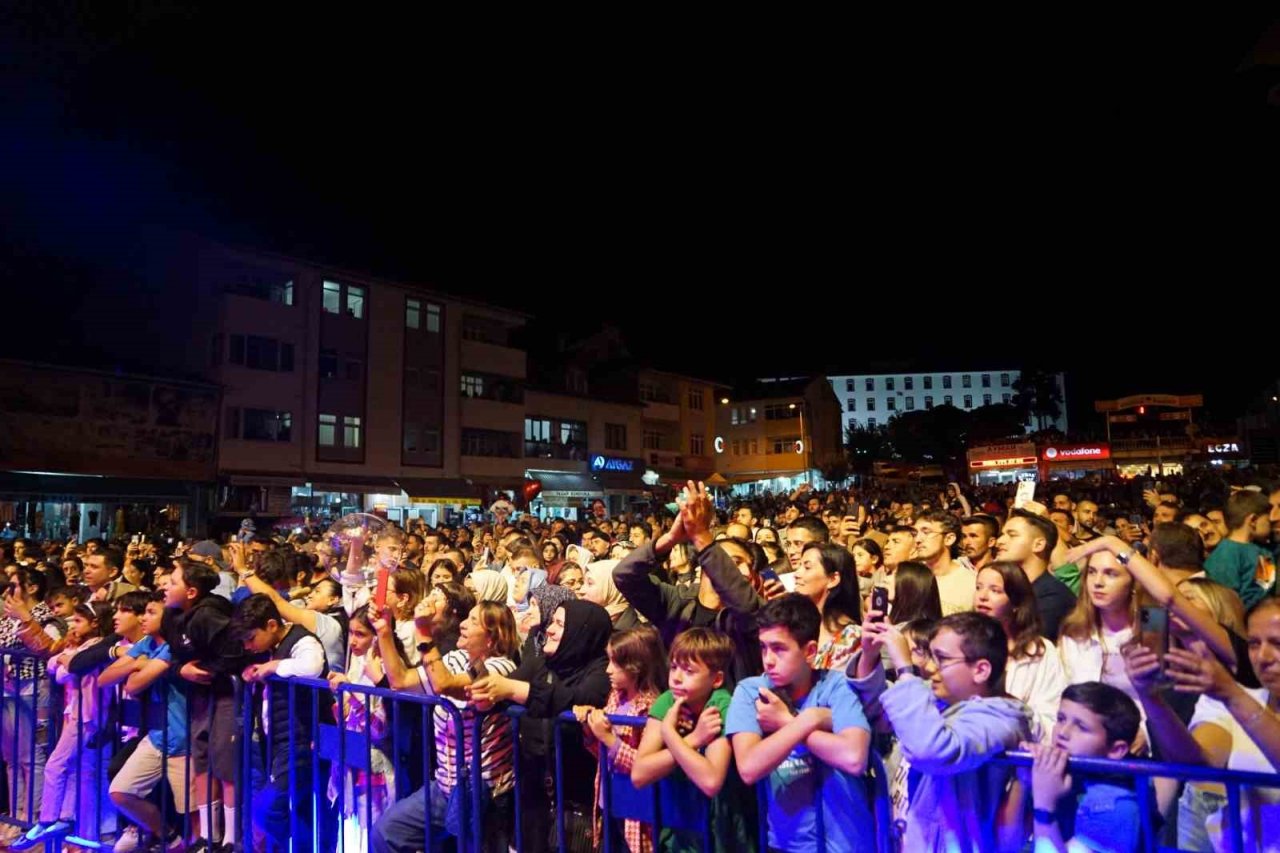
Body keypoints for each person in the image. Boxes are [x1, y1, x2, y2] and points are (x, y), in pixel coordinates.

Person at [850, 611, 1034, 852]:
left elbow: (932, 750)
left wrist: (905, 670)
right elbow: (874, 711)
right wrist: (869, 654)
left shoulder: (1000, 720)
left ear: (980, 670)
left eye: (942, 659)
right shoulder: (939, 699)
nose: (928, 667)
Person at [1126, 598, 1280, 852]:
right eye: (1254, 643)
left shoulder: (1235, 697)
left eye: (1277, 643)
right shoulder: (1236, 699)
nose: (1262, 657)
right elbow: (1195, 765)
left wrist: (1232, 694)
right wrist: (1149, 696)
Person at [372, 601, 520, 852]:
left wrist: (424, 632)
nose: (463, 624)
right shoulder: (456, 657)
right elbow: (400, 680)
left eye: (474, 622)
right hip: (445, 786)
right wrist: (384, 631)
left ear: (492, 638)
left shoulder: (502, 666)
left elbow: (444, 684)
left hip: (484, 793)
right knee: (386, 833)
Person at [467, 600, 612, 853]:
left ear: (582, 632)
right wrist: (486, 692)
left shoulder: (600, 670)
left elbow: (579, 698)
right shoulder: (542, 662)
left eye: (560, 624)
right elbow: (504, 691)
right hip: (535, 791)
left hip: (578, 799)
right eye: (552, 622)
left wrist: (512, 689)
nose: (550, 630)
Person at [632, 628, 755, 853]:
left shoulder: (721, 704)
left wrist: (671, 737)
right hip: (680, 832)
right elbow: (639, 773)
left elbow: (710, 780)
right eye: (674, 667)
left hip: (722, 833)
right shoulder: (668, 701)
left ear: (716, 679)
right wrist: (691, 739)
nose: (676, 677)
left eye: (689, 671)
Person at [11, 602, 113, 850]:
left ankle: (47, 820)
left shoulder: (96, 647)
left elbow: (66, 672)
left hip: (88, 716)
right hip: (75, 713)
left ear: (95, 623)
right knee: (80, 773)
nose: (72, 625)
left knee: (56, 765)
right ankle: (71, 825)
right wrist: (66, 658)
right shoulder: (78, 647)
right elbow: (53, 665)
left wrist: (67, 660)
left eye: (78, 621)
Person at [235, 593, 330, 851]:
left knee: (267, 809)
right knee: (297, 812)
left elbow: (312, 667)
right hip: (280, 741)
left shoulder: (304, 641)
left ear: (272, 625)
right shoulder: (273, 649)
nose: (248, 646)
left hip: (301, 742)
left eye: (251, 638)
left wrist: (273, 667)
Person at [104, 595, 193, 853]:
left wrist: (135, 667)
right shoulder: (147, 645)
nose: (143, 617)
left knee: (192, 813)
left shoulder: (173, 647)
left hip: (184, 739)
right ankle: (168, 837)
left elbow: (132, 685)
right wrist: (140, 663)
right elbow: (105, 678)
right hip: (156, 737)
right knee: (120, 791)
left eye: (151, 613)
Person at [1025, 682, 1143, 853]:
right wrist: (1023, 782)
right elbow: (1006, 843)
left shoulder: (1115, 805)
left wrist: (1044, 806)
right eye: (1061, 719)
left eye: (1081, 727)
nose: (1062, 732)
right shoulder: (1067, 775)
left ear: (1116, 750)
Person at [577, 626, 665, 852]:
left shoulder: (650, 708)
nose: (608, 669)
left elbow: (646, 765)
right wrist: (590, 729)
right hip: (609, 799)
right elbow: (604, 754)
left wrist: (607, 738)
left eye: (616, 663)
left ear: (637, 666)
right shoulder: (616, 697)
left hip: (636, 807)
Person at [973, 561, 1068, 740]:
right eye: (979, 587)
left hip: (1019, 751)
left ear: (1016, 602)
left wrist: (1012, 710)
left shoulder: (1039, 650)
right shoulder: (961, 642)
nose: (982, 596)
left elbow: (1050, 716)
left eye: (995, 590)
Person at [995, 509, 1077, 640]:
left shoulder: (1053, 598)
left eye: (1012, 535)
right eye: (1002, 534)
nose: (999, 541)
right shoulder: (1010, 591)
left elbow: (1026, 649)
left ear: (1038, 545)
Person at [793, 543, 861, 671]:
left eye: (807, 567)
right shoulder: (797, 623)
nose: (797, 573)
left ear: (832, 579)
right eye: (799, 566)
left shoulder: (851, 636)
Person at [1204, 490, 1274, 609]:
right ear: (1253, 520)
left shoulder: (1260, 549)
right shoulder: (1225, 555)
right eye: (1267, 520)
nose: (1272, 521)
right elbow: (1227, 604)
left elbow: (1264, 585)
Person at [913, 511, 976, 616]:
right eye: (915, 534)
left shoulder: (971, 584)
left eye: (926, 532)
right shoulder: (910, 578)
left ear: (949, 539)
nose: (917, 539)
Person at [583, 560, 642, 630]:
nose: (582, 590)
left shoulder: (632, 635)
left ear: (613, 587)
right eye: (582, 582)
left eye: (590, 583)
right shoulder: (590, 621)